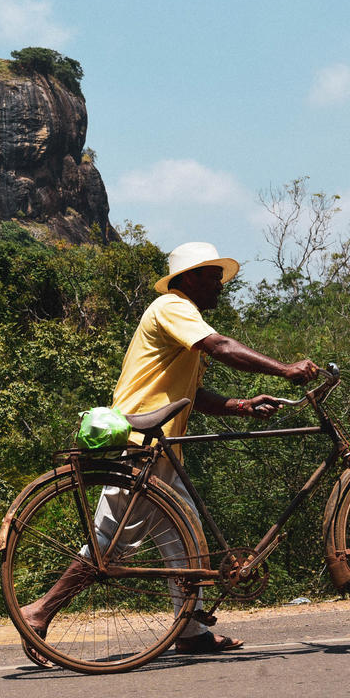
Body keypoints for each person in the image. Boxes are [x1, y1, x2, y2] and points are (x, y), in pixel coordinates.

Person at [19, 241, 318, 666]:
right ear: (190, 278)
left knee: (184, 536)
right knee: (112, 544)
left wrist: (240, 405)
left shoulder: (183, 317)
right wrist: (284, 368)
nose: (220, 287)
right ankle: (39, 612)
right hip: (139, 442)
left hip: (161, 444)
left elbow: (192, 393)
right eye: (214, 278)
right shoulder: (172, 306)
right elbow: (222, 346)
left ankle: (190, 630)